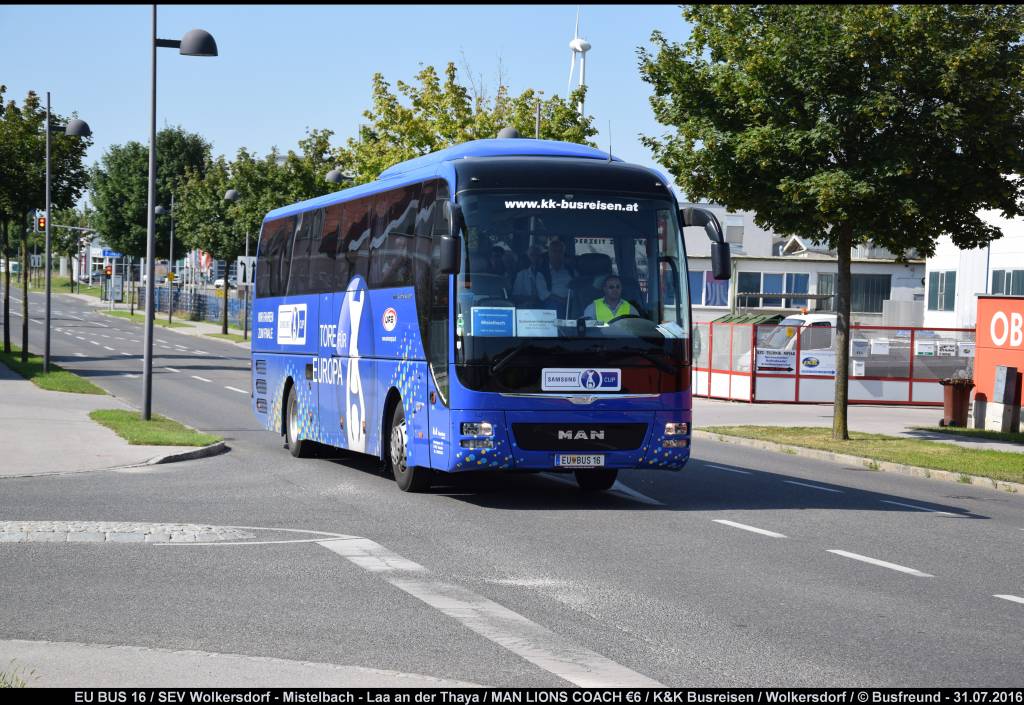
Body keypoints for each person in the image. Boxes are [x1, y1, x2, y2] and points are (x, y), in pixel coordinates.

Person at [542, 239, 575, 313]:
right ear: (549, 253)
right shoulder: (542, 272)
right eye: (554, 251)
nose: (557, 254)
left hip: (572, 302)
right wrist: (563, 301)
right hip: (552, 303)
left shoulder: (571, 271)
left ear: (563, 254)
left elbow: (578, 287)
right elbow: (544, 293)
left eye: (560, 251)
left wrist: (569, 300)